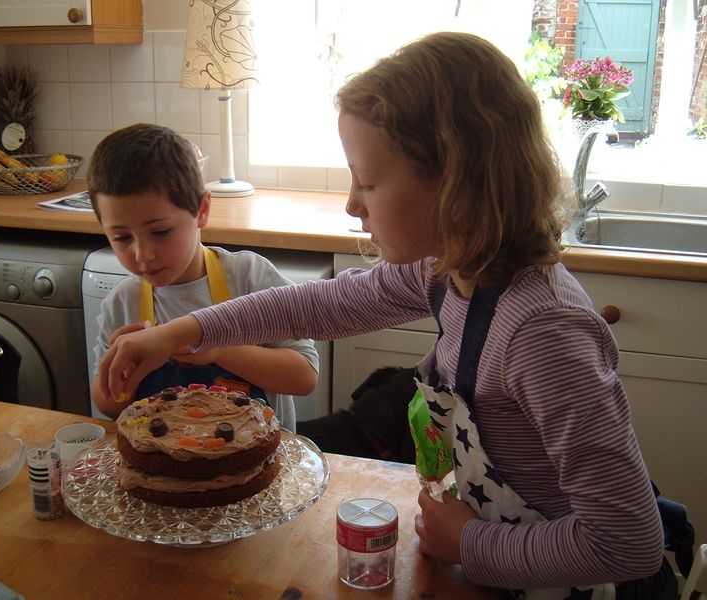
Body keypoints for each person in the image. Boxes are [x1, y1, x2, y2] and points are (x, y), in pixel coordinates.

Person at [96, 35, 672, 597]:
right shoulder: (448, 271)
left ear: (456, 183)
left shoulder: (542, 333)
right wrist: (185, 330)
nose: (352, 204)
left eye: (368, 182)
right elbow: (323, 303)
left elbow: (627, 542)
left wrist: (472, 543)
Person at [86, 123, 318, 431]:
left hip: (257, 467)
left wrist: (218, 349)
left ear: (202, 210)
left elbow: (304, 377)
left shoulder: (248, 278)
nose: (142, 254)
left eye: (160, 232)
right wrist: (126, 370)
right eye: (121, 237)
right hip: (165, 470)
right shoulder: (123, 302)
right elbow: (107, 406)